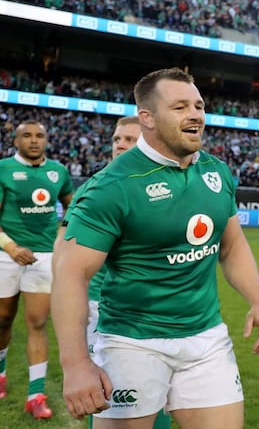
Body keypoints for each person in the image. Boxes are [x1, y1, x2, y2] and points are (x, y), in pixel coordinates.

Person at [50, 67, 259, 429]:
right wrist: (75, 364)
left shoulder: (217, 171)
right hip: (132, 342)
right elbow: (71, 274)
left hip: (206, 338)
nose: (195, 114)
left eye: (199, 105)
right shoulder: (111, 187)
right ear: (148, 118)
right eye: (180, 106)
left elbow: (231, 247)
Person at [54, 116, 171, 429]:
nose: (121, 145)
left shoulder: (170, 189)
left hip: (159, 309)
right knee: (114, 399)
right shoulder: (94, 188)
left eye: (130, 140)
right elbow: (62, 253)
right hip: (104, 311)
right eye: (118, 139)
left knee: (160, 395)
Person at [0, 120, 73, 419]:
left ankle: (36, 396)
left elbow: (73, 205)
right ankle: (1, 372)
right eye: (26, 136)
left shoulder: (59, 172)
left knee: (37, 323)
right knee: (3, 319)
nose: (33, 141)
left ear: (46, 140)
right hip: (6, 255)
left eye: (39, 136)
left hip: (43, 258)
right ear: (15, 140)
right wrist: (11, 248)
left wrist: (61, 234)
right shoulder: (3, 169)